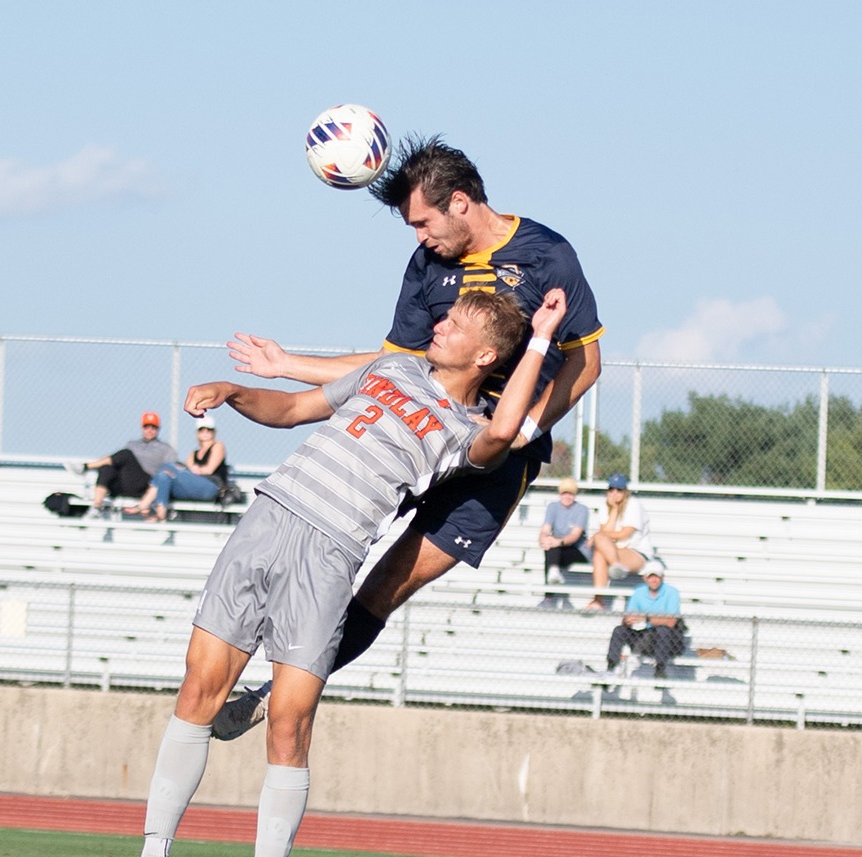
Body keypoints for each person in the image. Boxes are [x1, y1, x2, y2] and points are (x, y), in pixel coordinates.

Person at [122, 288, 562, 857]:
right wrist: (235, 390)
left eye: (458, 323)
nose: (438, 323)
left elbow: (505, 434)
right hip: (267, 522)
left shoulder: (466, 428)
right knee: (198, 693)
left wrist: (542, 337)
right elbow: (295, 408)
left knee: (288, 727)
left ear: (486, 354)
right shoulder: (390, 371)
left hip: (330, 556)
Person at [215, 137, 603, 739]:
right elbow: (392, 364)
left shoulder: (548, 254)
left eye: (423, 221)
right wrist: (288, 363)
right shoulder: (428, 265)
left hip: (497, 460)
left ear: (460, 202)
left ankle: (270, 698)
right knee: (332, 550)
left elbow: (586, 363)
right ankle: (258, 673)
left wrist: (523, 429)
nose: (419, 236)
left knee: (386, 585)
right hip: (417, 435)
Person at [129, 414, 230, 523]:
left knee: (168, 466)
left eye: (209, 430)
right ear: (197, 432)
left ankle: (144, 504)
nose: (205, 432)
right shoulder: (194, 453)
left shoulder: (218, 446)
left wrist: (197, 470)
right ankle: (161, 515)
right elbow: (187, 469)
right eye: (202, 430)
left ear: (213, 432)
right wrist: (192, 471)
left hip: (211, 486)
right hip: (194, 487)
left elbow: (209, 470)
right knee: (164, 475)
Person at [72, 411, 178, 513]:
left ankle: (86, 467)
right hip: (126, 483)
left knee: (126, 454)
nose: (150, 430)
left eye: (153, 427)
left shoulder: (165, 449)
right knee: (107, 467)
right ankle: (96, 508)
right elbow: (117, 460)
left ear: (158, 429)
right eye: (147, 427)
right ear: (142, 428)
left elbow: (172, 470)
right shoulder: (132, 444)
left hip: (145, 484)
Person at [585, 474, 655, 610]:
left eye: (619, 489)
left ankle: (599, 599)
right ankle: (599, 599)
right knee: (599, 552)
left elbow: (624, 534)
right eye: (611, 489)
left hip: (637, 553)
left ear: (625, 491)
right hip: (614, 553)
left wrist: (597, 536)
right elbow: (607, 533)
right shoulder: (605, 506)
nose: (614, 493)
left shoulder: (633, 504)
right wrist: (615, 510)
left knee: (599, 542)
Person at [604, 561, 683, 679]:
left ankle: (660, 669)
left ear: (662, 578)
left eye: (657, 576)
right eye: (650, 577)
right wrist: (628, 621)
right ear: (645, 578)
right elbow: (629, 616)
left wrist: (646, 619)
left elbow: (671, 622)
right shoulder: (638, 592)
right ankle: (611, 667)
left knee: (663, 630)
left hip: (664, 639)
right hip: (643, 636)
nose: (654, 580)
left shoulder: (671, 592)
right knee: (619, 630)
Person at [537, 476, 590, 608]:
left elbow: (575, 536)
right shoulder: (553, 507)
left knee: (553, 548)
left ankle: (549, 596)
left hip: (578, 550)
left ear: (574, 495)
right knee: (550, 547)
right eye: (564, 493)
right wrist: (543, 539)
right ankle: (553, 574)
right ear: (560, 494)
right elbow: (545, 529)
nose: (567, 496)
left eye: (570, 493)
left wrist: (557, 542)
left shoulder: (582, 509)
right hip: (559, 549)